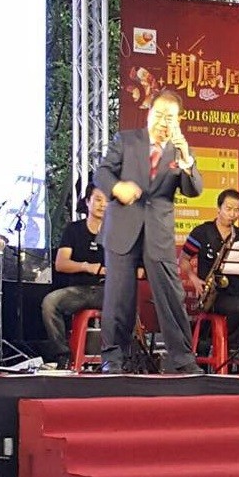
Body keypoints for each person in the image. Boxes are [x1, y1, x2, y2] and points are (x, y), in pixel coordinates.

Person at [94, 88, 203, 374]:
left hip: (158, 231)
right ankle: (113, 359)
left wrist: (186, 161)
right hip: (123, 227)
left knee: (171, 295)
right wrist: (117, 187)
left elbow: (193, 190)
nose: (163, 122)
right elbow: (102, 172)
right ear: (149, 113)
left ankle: (182, 359)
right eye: (159, 114)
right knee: (119, 297)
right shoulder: (126, 140)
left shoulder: (181, 151)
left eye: (170, 117)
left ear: (179, 121)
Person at [179, 189, 239, 374]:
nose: (232, 214)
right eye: (228, 208)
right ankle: (224, 345)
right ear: (219, 208)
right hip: (213, 296)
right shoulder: (202, 232)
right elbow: (183, 259)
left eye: (237, 210)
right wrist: (194, 279)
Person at [41, 183, 107, 369]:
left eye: (107, 201)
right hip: (79, 290)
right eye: (98, 199)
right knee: (50, 303)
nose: (103, 204)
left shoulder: (116, 232)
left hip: (107, 290)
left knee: (127, 303)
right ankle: (63, 356)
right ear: (87, 202)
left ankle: (122, 356)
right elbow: (61, 264)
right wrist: (88, 267)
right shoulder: (74, 229)